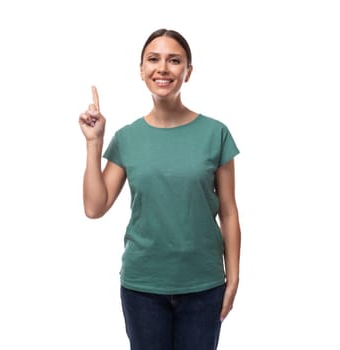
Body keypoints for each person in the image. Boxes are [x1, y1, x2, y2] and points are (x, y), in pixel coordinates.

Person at [78, 28, 242, 350]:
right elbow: (94, 207)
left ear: (188, 72)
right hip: (143, 288)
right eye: (153, 59)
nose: (163, 68)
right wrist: (94, 143)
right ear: (141, 70)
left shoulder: (215, 133)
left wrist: (233, 276)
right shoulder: (127, 138)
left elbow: (229, 211)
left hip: (203, 285)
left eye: (174, 60)